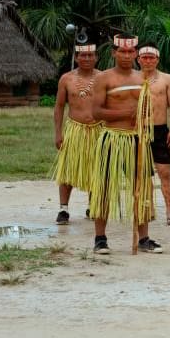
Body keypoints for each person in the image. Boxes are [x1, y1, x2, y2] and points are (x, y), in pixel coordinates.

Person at [89, 35, 161, 254]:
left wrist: (144, 112)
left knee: (142, 188)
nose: (126, 56)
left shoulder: (142, 78)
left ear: (135, 54)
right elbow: (96, 112)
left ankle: (144, 238)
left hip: (137, 138)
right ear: (114, 52)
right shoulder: (103, 78)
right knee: (104, 187)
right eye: (122, 51)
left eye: (130, 52)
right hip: (112, 137)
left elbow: (148, 109)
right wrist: (125, 113)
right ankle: (100, 239)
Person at [52, 43, 101, 224]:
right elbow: (59, 107)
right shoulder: (66, 79)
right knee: (68, 169)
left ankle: (93, 206)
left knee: (97, 169)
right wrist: (58, 133)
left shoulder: (104, 78)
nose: (87, 58)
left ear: (96, 57)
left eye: (90, 55)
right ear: (76, 57)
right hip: (74, 129)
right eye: (83, 55)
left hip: (98, 130)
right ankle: (63, 209)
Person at [136, 44, 170, 226]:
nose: (148, 61)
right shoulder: (132, 78)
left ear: (157, 60)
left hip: (160, 130)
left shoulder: (167, 79)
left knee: (164, 171)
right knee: (142, 172)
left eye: (151, 57)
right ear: (138, 59)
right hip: (138, 130)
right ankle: (148, 207)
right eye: (144, 57)